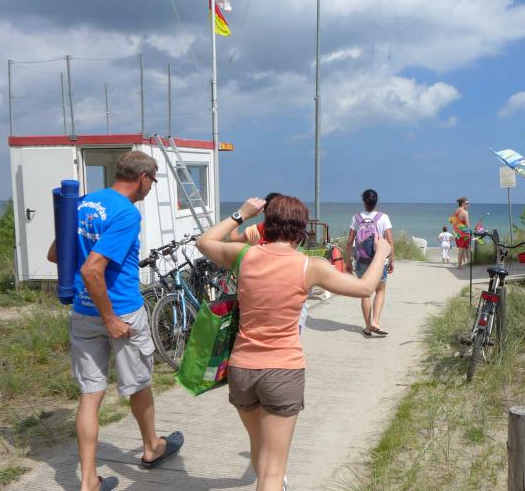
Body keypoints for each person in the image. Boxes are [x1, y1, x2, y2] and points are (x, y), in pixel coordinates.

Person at [196, 195, 390, 491]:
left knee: (260, 449)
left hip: (242, 369)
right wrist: (381, 253)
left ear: (268, 224)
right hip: (282, 372)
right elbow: (365, 287)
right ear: (301, 229)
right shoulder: (309, 266)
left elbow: (204, 242)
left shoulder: (243, 256)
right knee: (273, 472)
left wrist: (241, 214)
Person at [47, 151, 183, 491]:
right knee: (139, 384)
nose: (150, 188)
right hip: (120, 313)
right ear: (143, 178)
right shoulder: (126, 213)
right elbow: (91, 268)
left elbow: (55, 254)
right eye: (152, 181)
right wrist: (110, 318)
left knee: (90, 395)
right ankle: (152, 447)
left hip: (83, 311)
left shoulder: (84, 204)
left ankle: (88, 481)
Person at [345, 189, 394, 337]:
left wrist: (348, 260)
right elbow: (390, 241)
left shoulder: (356, 217)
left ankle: (367, 328)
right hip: (379, 259)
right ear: (376, 201)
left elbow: (349, 242)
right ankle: (375, 321)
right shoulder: (383, 217)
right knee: (380, 290)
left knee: (364, 293)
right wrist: (391, 259)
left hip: (361, 260)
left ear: (364, 201)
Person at [449, 197, 471, 268]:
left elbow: (451, 221)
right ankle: (460, 265)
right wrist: (470, 231)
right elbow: (467, 224)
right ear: (463, 203)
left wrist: (457, 229)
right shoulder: (465, 212)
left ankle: (461, 264)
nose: (468, 205)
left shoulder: (456, 211)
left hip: (457, 233)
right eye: (467, 203)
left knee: (461, 248)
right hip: (464, 233)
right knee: (464, 248)